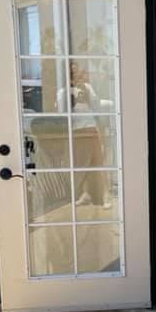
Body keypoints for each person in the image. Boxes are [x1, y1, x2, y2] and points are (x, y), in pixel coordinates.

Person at [57, 62, 111, 208]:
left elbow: (97, 109)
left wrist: (86, 95)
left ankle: (106, 194)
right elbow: (63, 113)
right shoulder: (63, 92)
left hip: (91, 129)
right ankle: (85, 194)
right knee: (81, 165)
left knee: (98, 162)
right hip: (76, 132)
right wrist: (72, 99)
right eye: (73, 74)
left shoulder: (88, 88)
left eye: (78, 73)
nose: (77, 76)